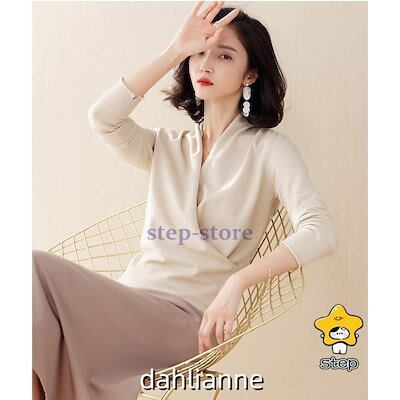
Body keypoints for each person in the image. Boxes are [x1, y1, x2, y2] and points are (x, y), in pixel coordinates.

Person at [32, 2, 337, 399]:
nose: (205, 65)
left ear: (250, 74)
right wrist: (175, 49)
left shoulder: (269, 150)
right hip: (127, 305)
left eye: (224, 56)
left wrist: (238, 282)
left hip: (188, 323)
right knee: (31, 333)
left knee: (28, 270)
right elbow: (103, 118)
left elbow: (320, 230)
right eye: (198, 54)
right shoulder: (168, 147)